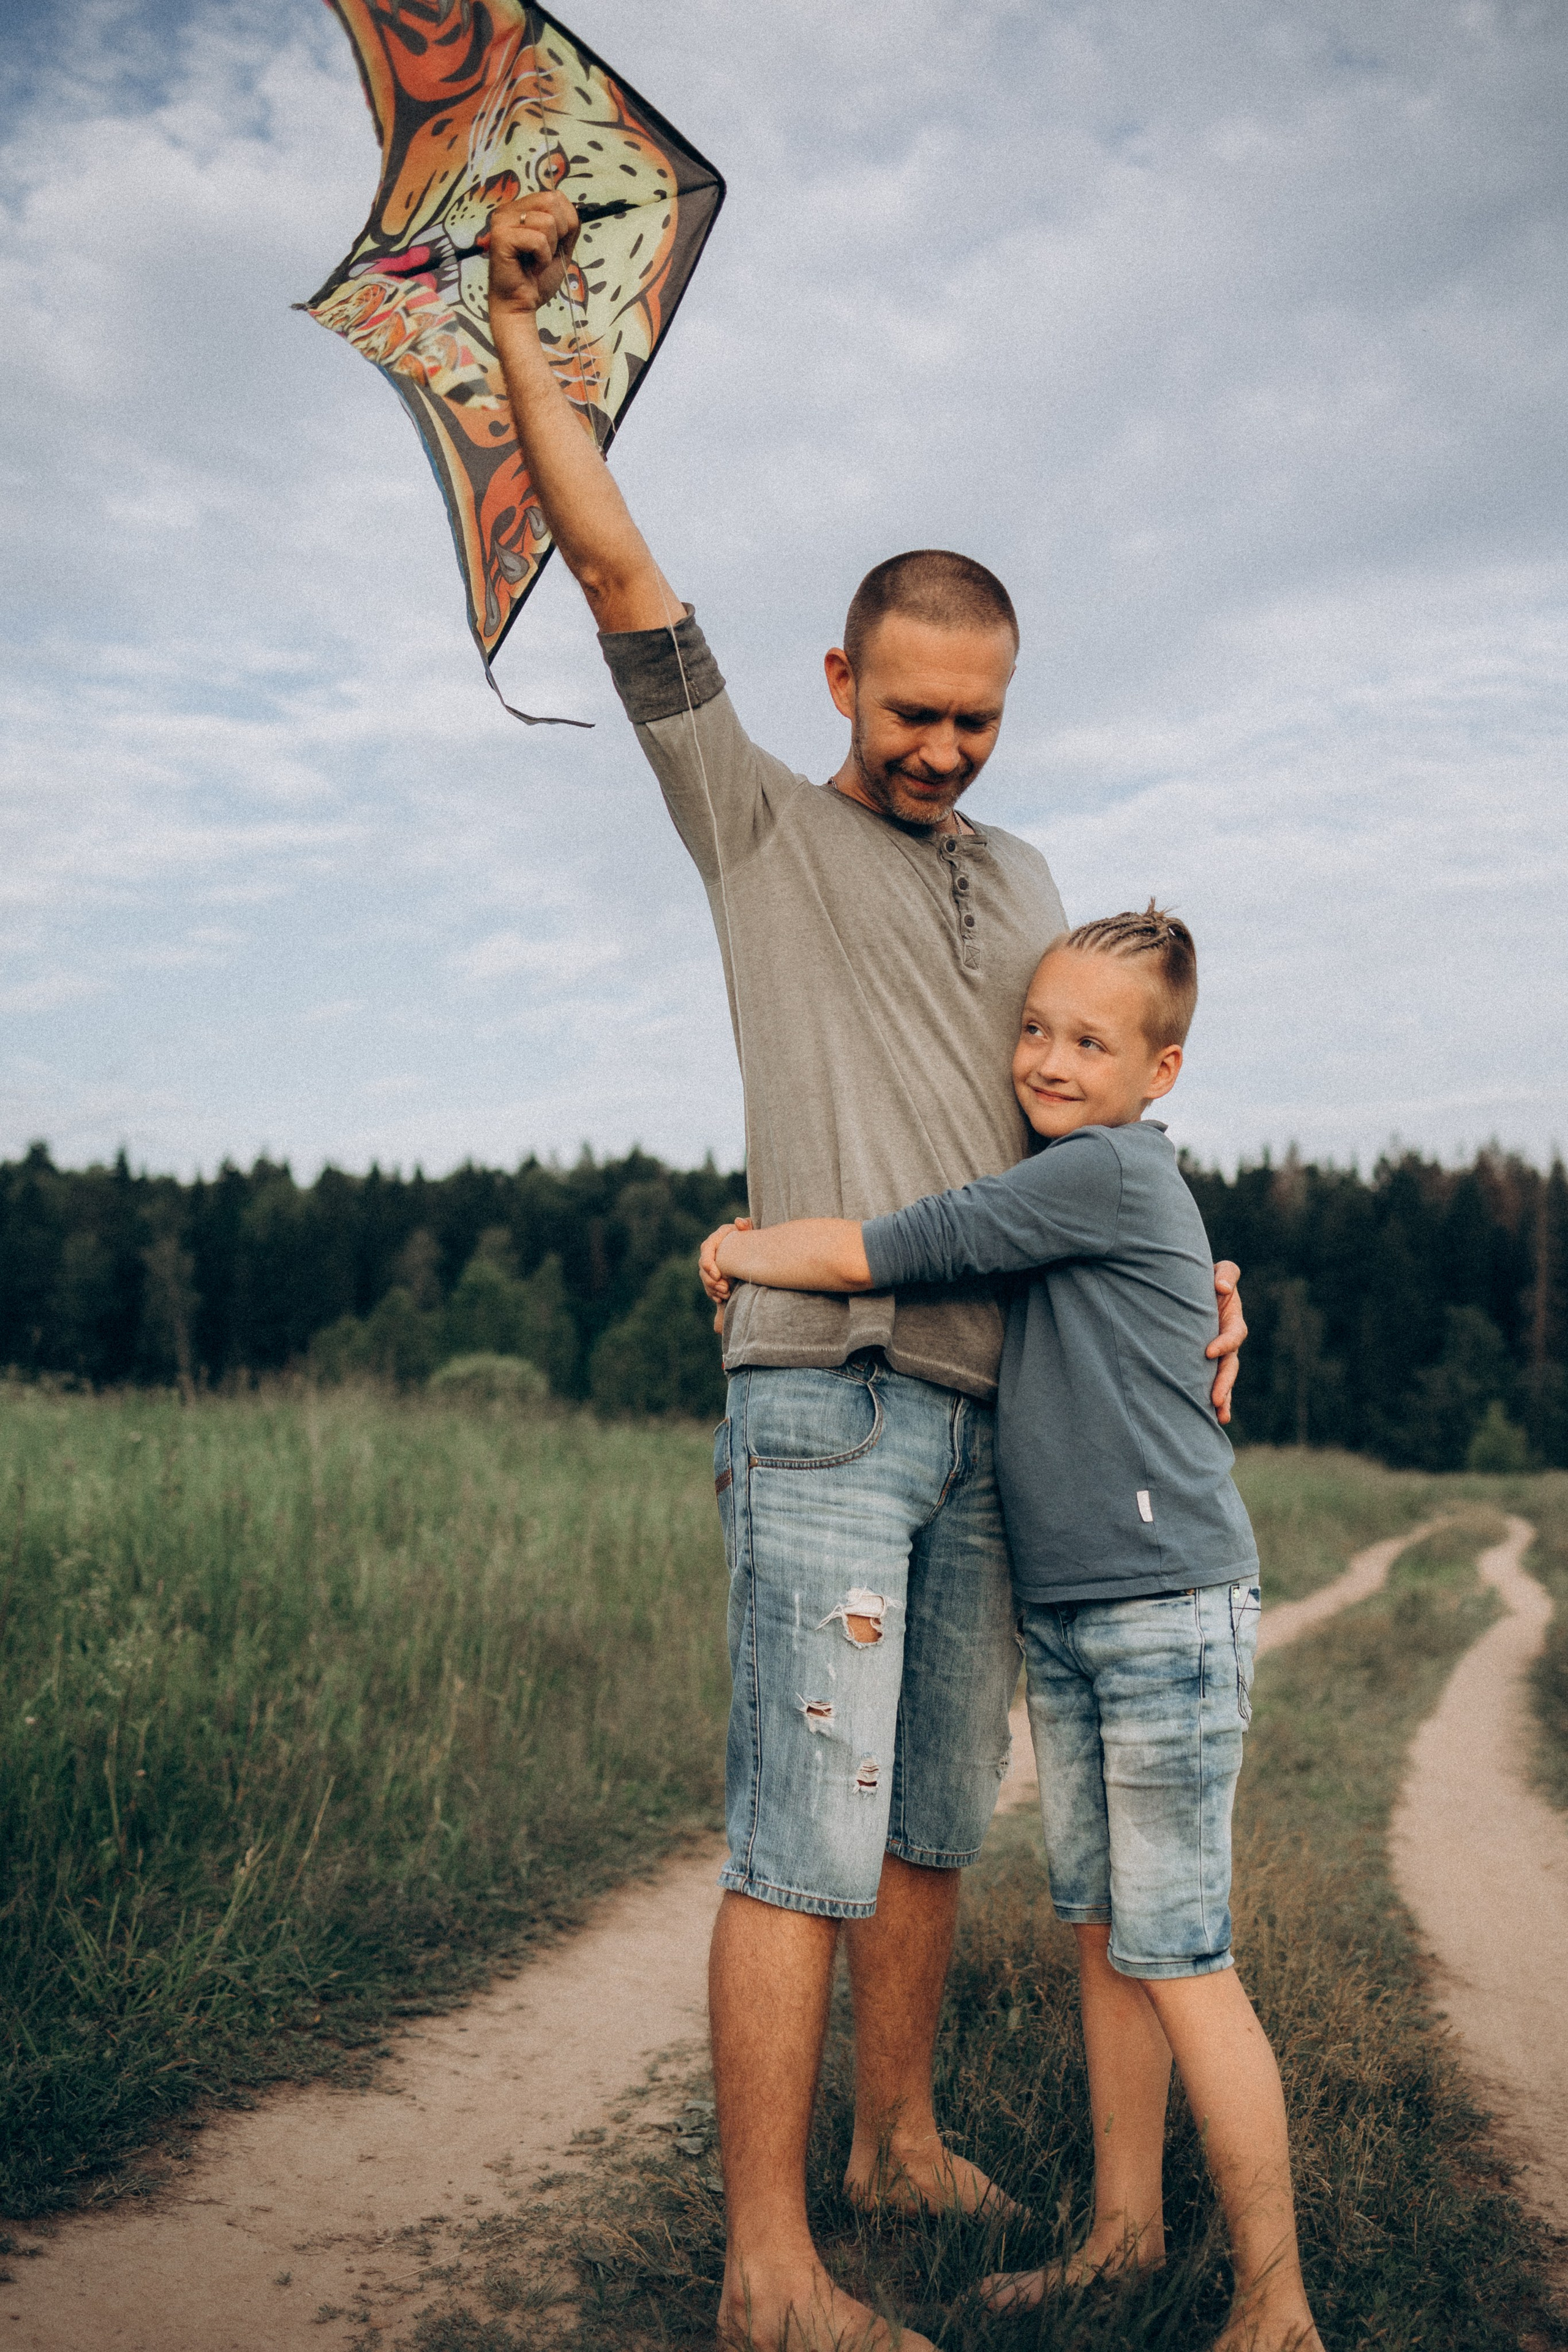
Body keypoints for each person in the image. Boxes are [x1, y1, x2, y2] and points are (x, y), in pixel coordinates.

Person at [486, 190, 1246, 2352]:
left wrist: (1206, 1271)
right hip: (822, 1393)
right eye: (913, 712)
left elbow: (1103, 1112)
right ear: (841, 679)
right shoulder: (750, 814)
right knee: (798, 1832)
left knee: (931, 1823)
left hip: (1005, 1416)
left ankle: (895, 2140)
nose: (942, 752)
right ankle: (766, 2272)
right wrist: (534, 338)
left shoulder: (1024, 877)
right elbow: (625, 575)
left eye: (977, 722)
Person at [699, 909, 1323, 2352]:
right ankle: (1122, 2239)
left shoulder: (1096, 1173)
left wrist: (743, 1243)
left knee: (1181, 1952)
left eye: (1089, 1041)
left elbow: (898, 1244)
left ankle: (1274, 2305)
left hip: (1164, 1616)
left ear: (1158, 1070)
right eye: (1033, 1028)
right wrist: (1217, 1285)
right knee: (1105, 1934)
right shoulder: (1088, 1181)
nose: (1046, 1058)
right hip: (1086, 1618)